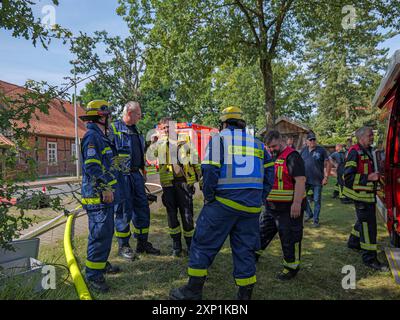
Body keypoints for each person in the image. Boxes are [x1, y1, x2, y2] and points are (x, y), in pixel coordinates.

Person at [169, 106, 274, 300]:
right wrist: (260, 197)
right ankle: (244, 296)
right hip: (251, 207)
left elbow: (209, 169)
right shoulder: (258, 144)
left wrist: (209, 195)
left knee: (202, 244)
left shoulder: (219, 139)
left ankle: (193, 291)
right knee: (246, 250)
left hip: (223, 203)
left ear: (224, 123)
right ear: (242, 124)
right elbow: (270, 173)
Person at [80, 100, 122, 293]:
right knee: (99, 234)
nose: (110, 118)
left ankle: (100, 264)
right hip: (97, 196)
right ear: (101, 116)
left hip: (104, 195)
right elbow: (92, 166)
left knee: (105, 232)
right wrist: (105, 188)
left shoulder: (101, 137)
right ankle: (93, 275)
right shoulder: (92, 137)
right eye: (108, 115)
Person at [109, 101, 160, 259]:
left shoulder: (136, 130)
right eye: (138, 114)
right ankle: (124, 245)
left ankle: (142, 243)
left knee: (142, 209)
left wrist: (149, 143)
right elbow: (108, 154)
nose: (140, 116)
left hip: (136, 175)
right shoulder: (114, 129)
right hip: (122, 177)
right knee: (124, 211)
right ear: (130, 113)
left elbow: (137, 152)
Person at [257, 130, 306, 280]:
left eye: (274, 146)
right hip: (271, 207)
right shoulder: (271, 156)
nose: (271, 149)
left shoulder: (293, 156)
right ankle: (253, 255)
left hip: (288, 208)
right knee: (262, 232)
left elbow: (300, 180)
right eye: (269, 147)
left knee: (289, 238)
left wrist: (297, 203)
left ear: (282, 140)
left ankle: (291, 268)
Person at [154, 117, 202, 256]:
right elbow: (151, 158)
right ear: (161, 130)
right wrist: (152, 144)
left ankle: (190, 244)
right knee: (171, 214)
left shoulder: (184, 140)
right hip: (168, 184)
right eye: (164, 128)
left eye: (168, 127)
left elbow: (194, 158)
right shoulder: (159, 143)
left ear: (174, 127)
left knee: (187, 214)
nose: (166, 130)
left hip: (183, 182)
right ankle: (176, 246)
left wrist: (199, 175)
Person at [344, 127, 389, 271]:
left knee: (362, 221)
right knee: (369, 228)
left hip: (368, 195)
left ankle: (353, 242)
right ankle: (370, 259)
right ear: (361, 137)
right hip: (361, 197)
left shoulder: (369, 150)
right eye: (370, 135)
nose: (372, 137)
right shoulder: (354, 152)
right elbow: (348, 178)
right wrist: (369, 177)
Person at [300, 132, 332, 227]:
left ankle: (315, 220)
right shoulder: (303, 150)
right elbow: (299, 163)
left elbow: (328, 163)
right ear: (307, 142)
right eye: (311, 140)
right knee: (301, 198)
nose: (313, 141)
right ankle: (309, 213)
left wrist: (326, 177)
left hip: (318, 180)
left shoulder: (321, 150)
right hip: (305, 180)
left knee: (317, 200)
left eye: (314, 139)